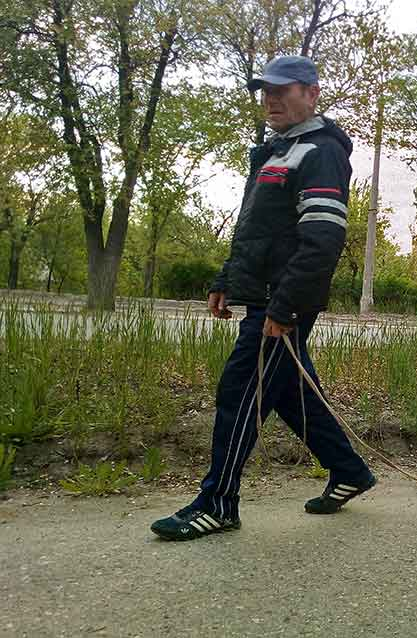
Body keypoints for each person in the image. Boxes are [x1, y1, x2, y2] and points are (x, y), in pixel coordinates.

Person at [151, 55, 376, 541]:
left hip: (284, 301)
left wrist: (287, 306)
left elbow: (322, 239)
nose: (272, 99)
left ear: (312, 93)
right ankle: (349, 470)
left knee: (240, 393)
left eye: (284, 90)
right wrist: (226, 277)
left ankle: (218, 503)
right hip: (266, 296)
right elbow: (255, 230)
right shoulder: (273, 151)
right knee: (292, 393)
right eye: (266, 91)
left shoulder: (321, 151)